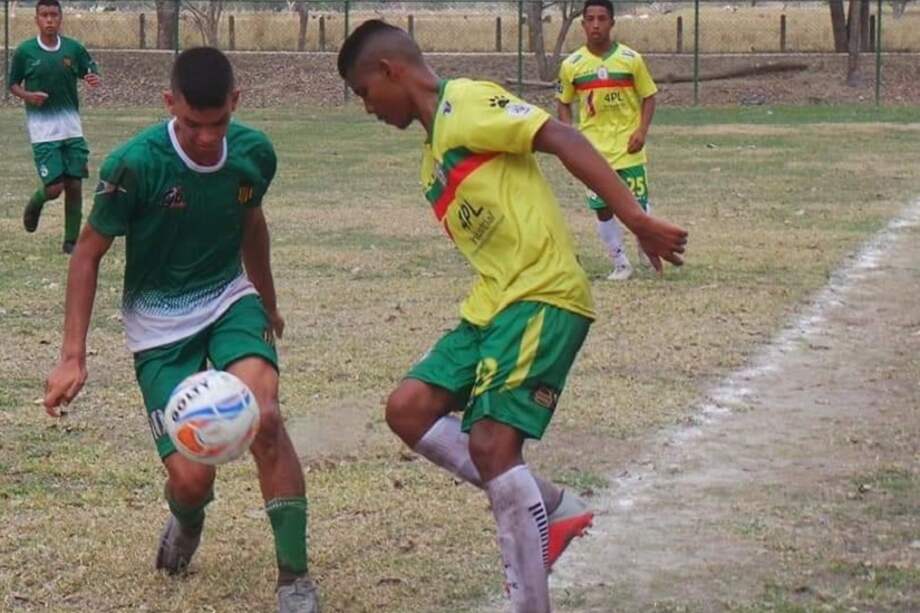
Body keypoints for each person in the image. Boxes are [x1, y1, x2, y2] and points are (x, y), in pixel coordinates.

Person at [337, 20, 686, 612]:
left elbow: (564, 139)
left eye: (364, 93)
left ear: (389, 71)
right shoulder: (431, 161)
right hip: (492, 307)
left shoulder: (467, 102)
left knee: (493, 443)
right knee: (408, 410)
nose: (367, 109)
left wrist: (634, 217)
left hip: (542, 295)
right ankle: (550, 509)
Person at [42, 47, 319, 613]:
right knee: (192, 478)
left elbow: (251, 221)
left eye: (217, 124)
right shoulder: (135, 165)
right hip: (159, 328)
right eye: (192, 123)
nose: (205, 138)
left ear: (235, 104)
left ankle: (294, 578)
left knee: (265, 416)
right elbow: (87, 255)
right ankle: (187, 517)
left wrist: (266, 301)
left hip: (228, 299)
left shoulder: (253, 154)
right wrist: (73, 355)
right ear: (170, 104)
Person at [557, 0, 659, 281]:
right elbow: (562, 102)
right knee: (602, 208)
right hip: (593, 152)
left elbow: (649, 96)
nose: (596, 25)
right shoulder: (572, 65)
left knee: (638, 205)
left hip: (629, 148)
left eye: (602, 18)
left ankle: (647, 248)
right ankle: (620, 262)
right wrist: (570, 135)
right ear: (583, 25)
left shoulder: (631, 59)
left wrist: (642, 131)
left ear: (612, 23)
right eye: (590, 19)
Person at [8, 0, 101, 255]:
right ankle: (36, 203)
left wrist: (93, 76)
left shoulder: (73, 49)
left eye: (54, 15)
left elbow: (89, 68)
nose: (49, 19)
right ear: (36, 19)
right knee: (54, 188)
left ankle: (71, 241)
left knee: (74, 185)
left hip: (72, 129)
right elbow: (13, 84)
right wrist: (28, 96)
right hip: (43, 132)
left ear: (60, 19)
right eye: (44, 15)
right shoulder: (26, 51)